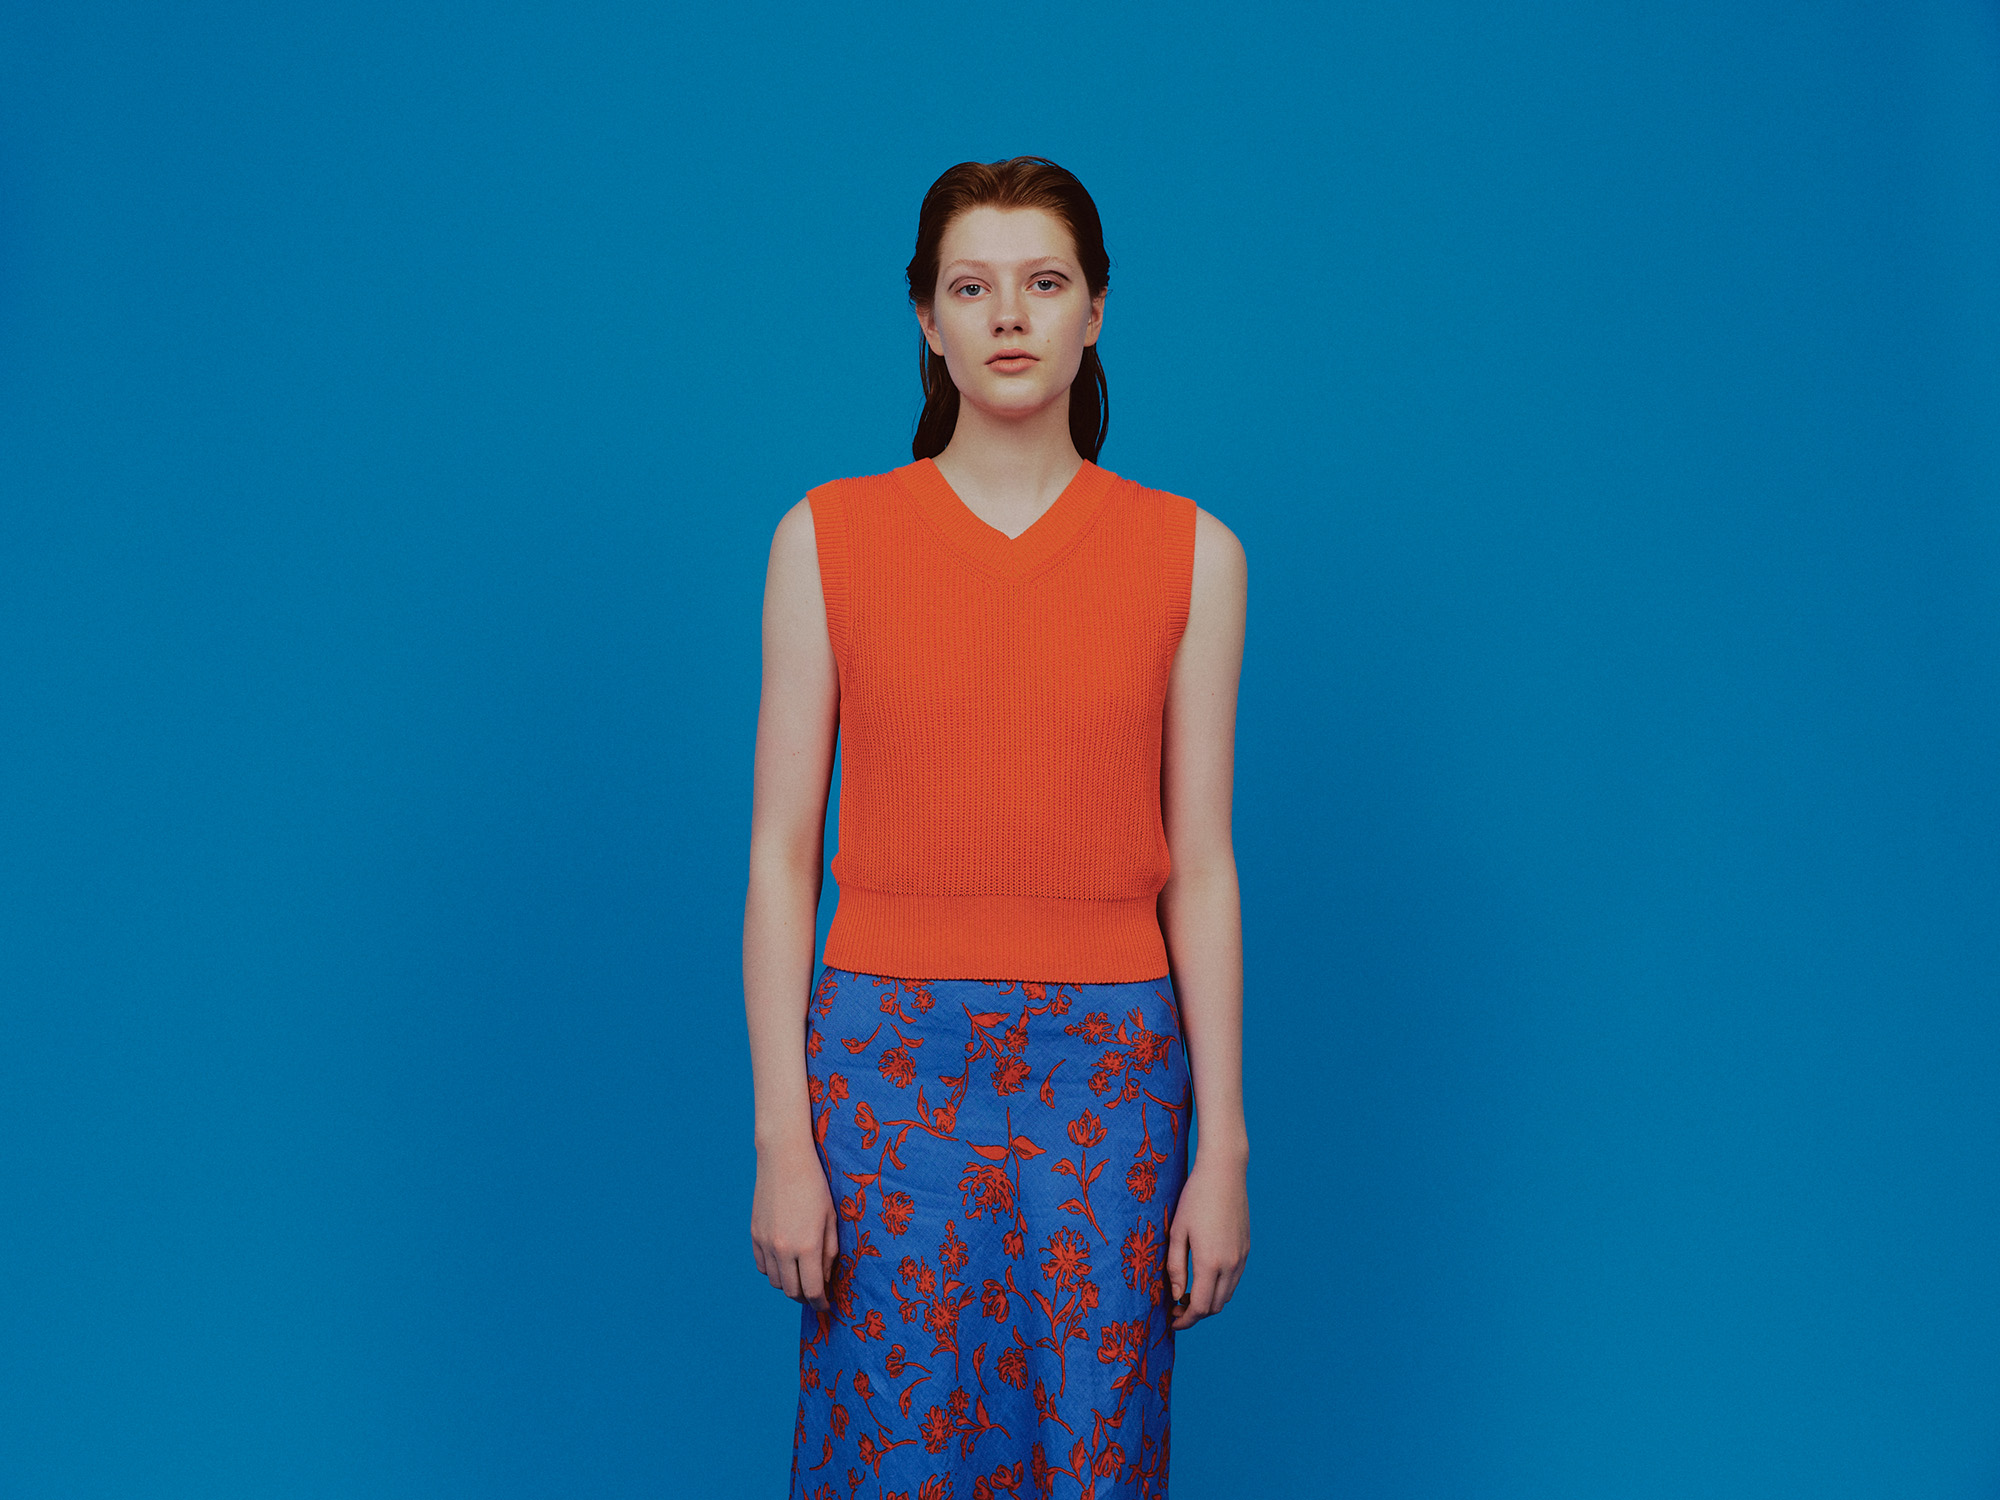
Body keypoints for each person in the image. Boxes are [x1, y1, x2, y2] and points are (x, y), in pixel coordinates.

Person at [743, 155, 1249, 1499]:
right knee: (892, 1446)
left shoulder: (1193, 555)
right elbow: (782, 859)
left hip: (1114, 1072)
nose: (1010, 316)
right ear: (926, 315)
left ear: (1095, 310)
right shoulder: (826, 539)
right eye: (972, 288)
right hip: (884, 1062)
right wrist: (782, 1136)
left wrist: (1226, 1144)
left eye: (1044, 283)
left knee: (1096, 1450)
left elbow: (1200, 867)